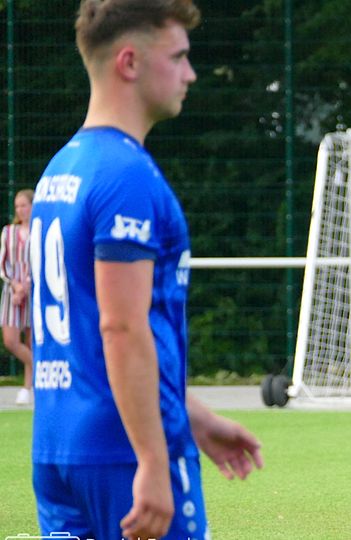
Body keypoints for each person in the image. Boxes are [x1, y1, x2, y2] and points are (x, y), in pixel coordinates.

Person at [30, 2, 262, 538]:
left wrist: (194, 416)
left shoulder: (61, 169)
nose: (190, 73)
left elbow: (88, 337)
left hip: (57, 449)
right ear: (130, 62)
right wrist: (154, 459)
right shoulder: (127, 175)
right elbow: (120, 327)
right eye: (178, 57)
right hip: (125, 452)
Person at [1, 189, 34, 405]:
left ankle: (27, 388)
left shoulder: (39, 231)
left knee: (31, 341)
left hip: (33, 290)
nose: (20, 210)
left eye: (24, 205)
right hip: (11, 292)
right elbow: (2, 263)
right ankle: (40, 368)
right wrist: (15, 286)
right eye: (17, 206)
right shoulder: (8, 232)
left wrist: (27, 286)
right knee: (11, 341)